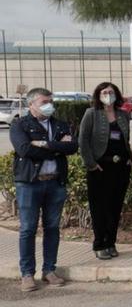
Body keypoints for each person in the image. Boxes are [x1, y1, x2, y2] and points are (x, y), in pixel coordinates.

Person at [10, 88, 77, 292]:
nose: (50, 105)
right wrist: (56, 148)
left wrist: (44, 144)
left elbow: (72, 147)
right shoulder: (20, 124)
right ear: (31, 105)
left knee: (52, 228)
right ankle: (27, 274)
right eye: (44, 102)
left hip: (55, 183)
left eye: (51, 101)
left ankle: (49, 270)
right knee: (28, 229)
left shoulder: (60, 124)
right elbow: (24, 149)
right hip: (30, 183)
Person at [78, 82, 132, 260]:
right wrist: (91, 164)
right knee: (99, 208)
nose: (108, 95)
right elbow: (83, 141)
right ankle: (99, 243)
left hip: (120, 168)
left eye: (111, 92)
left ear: (116, 94)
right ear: (98, 95)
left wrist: (129, 158)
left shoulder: (123, 114)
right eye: (104, 92)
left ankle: (111, 242)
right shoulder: (91, 114)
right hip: (100, 168)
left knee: (115, 207)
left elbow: (126, 139)